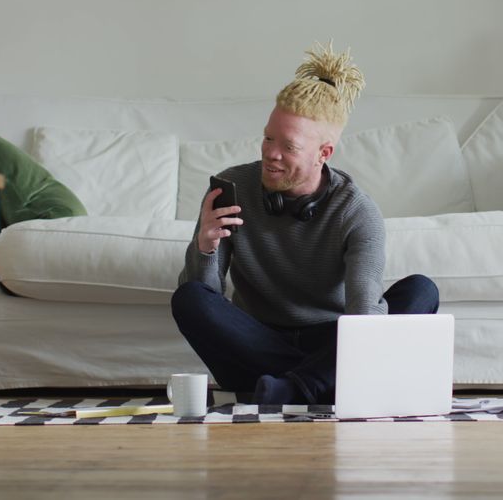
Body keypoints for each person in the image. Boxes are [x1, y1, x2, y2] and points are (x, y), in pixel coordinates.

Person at [171, 42, 440, 406]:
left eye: (289, 146)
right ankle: (323, 383)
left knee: (420, 292)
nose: (270, 153)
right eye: (268, 137)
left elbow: (364, 315)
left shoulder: (357, 212)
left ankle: (293, 389)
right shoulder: (232, 188)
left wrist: (363, 348)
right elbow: (207, 298)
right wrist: (204, 248)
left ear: (324, 153)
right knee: (187, 297)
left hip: (330, 339)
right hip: (257, 342)